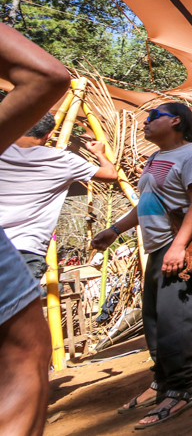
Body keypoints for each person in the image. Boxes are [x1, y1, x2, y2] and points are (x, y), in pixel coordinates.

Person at [91, 102, 192, 427]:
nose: (145, 122)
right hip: (159, 250)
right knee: (155, 321)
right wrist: (114, 230)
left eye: (152, 117)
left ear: (175, 120)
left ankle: (182, 390)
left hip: (179, 250)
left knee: (176, 323)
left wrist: (179, 246)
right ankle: (162, 384)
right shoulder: (155, 159)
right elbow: (146, 203)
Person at [0, 25, 72, 436]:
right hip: (23, 249)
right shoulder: (59, 161)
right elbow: (46, 74)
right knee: (23, 352)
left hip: (17, 247)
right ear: (46, 133)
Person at [0, 113, 118, 281]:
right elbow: (111, 175)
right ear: (49, 134)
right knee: (16, 306)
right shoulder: (63, 160)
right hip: (25, 249)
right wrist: (99, 153)